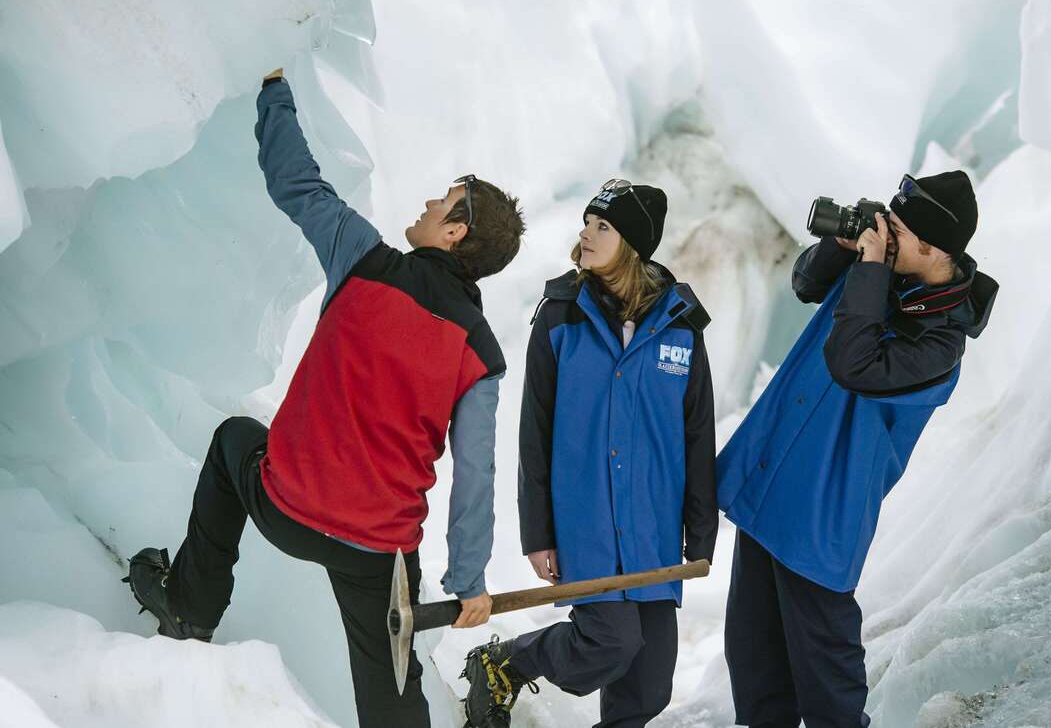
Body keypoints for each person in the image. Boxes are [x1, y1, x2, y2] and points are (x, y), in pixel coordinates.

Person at [123, 68, 526, 727]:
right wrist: (470, 584)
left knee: (232, 441)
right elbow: (475, 474)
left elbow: (296, 182)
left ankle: (189, 608)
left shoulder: (364, 258)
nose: (427, 205)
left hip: (285, 502)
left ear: (455, 232)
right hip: (378, 554)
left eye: (442, 202)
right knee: (393, 692)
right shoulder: (481, 352)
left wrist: (274, 90)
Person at [717, 171, 999, 728]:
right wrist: (840, 248)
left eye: (895, 231)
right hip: (772, 488)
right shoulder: (883, 272)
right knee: (755, 664)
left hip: (824, 515)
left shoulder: (940, 344)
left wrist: (870, 269)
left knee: (829, 684)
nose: (884, 238)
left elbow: (853, 364)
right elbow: (804, 283)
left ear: (928, 246)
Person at [460, 179, 718, 728]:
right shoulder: (561, 317)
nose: (586, 234)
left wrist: (701, 532)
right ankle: (504, 664)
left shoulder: (681, 326)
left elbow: (698, 435)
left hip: (654, 528)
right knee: (610, 643)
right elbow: (536, 431)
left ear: (634, 243)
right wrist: (540, 532)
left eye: (603, 226)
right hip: (588, 522)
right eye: (587, 222)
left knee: (650, 685)